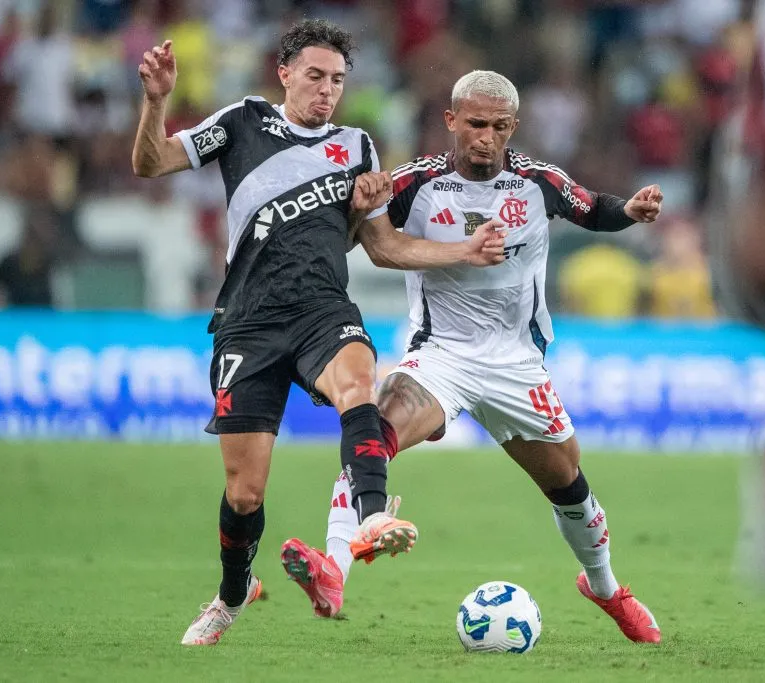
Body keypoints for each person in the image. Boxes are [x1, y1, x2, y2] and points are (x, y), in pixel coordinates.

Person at [131, 21, 507, 646]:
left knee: (361, 384)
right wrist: (155, 101)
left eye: (337, 80)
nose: (327, 90)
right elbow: (150, 163)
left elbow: (383, 248)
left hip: (322, 311)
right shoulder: (242, 121)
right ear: (284, 74)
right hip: (247, 322)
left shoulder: (358, 146)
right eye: (315, 76)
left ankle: (372, 516)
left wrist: (460, 249)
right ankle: (231, 594)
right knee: (245, 494)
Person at [281, 70, 665, 645]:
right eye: (476, 124)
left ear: (513, 128)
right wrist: (353, 211)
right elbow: (351, 232)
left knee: (568, 485)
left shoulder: (538, 182)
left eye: (499, 127)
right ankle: (334, 569)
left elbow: (592, 207)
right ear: (451, 121)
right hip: (442, 355)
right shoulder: (414, 183)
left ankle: (605, 587)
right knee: (373, 429)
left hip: (517, 363)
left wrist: (629, 210)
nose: (486, 137)